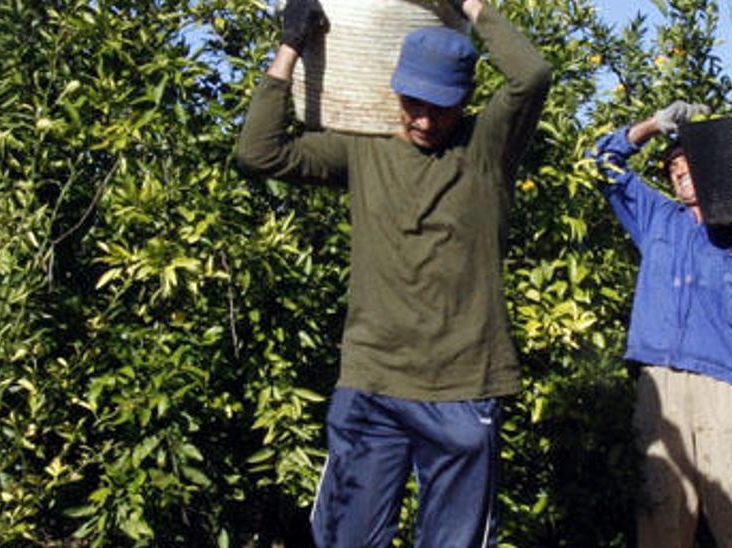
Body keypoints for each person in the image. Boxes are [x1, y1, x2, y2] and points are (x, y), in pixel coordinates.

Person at [236, 0, 551, 544]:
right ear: (395, 89)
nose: (424, 120)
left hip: (462, 387)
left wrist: (470, 4)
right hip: (371, 384)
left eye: (441, 107)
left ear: (467, 100)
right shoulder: (363, 150)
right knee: (343, 537)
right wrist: (289, 46)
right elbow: (258, 153)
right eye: (413, 102)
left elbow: (532, 74)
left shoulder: (485, 150)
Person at [587, 101, 732, 548]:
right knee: (661, 512)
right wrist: (650, 126)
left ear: (715, 169)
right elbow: (599, 164)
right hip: (661, 386)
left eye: (689, 164)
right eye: (673, 167)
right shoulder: (658, 218)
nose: (679, 173)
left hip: (723, 387)